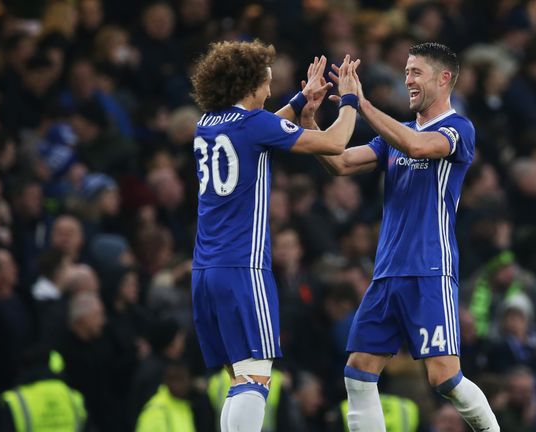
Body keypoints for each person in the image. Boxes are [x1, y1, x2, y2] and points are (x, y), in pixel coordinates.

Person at [313, 42, 499, 431]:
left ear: (444, 78)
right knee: (358, 371)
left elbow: (416, 145)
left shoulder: (457, 128)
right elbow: (341, 163)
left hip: (429, 268)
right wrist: (311, 120)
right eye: (406, 72)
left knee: (444, 377)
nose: (408, 80)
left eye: (416, 72)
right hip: (387, 273)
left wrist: (359, 103)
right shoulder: (396, 137)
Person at [188, 40, 362, 432]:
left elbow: (264, 128)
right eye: (267, 82)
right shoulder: (253, 125)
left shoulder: (208, 124)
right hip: (243, 269)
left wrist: (302, 99)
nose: (270, 90)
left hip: (205, 271)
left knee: (239, 378)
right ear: (250, 85)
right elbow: (335, 143)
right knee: (256, 378)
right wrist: (349, 101)